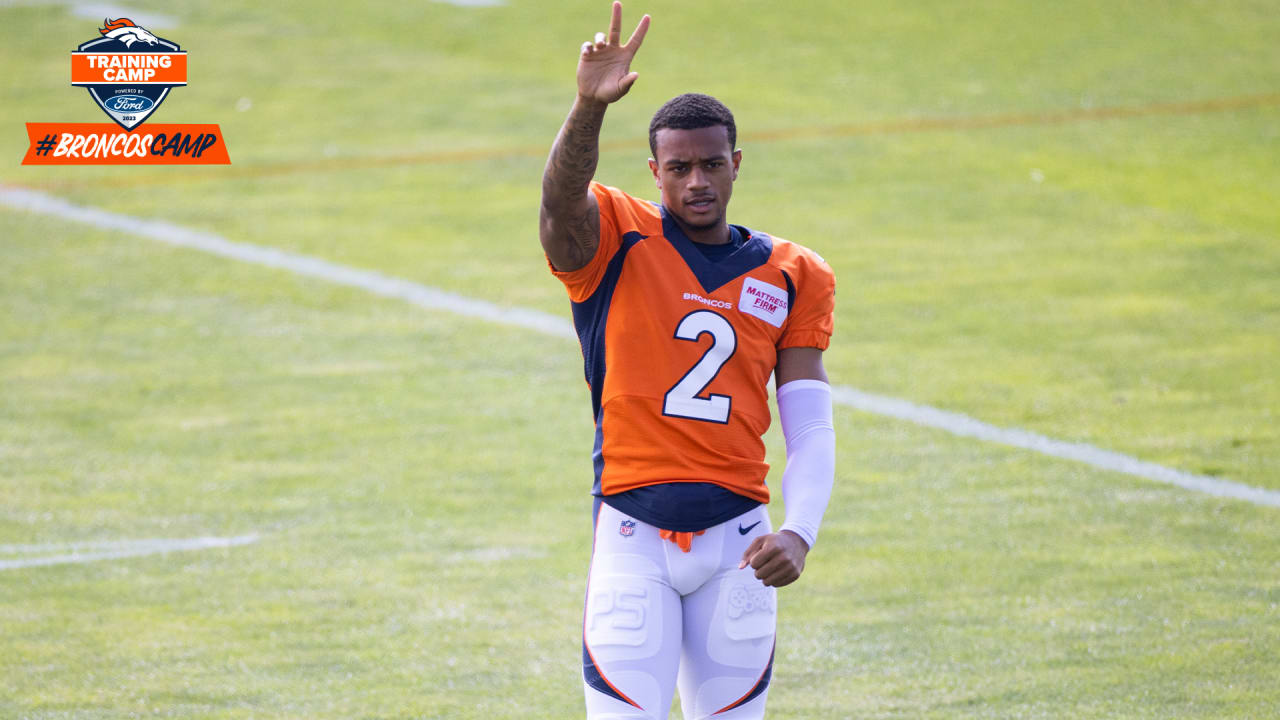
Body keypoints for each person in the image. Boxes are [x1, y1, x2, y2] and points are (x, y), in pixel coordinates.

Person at [539, 3, 837, 718]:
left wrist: (800, 531)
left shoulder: (794, 272)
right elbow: (557, 207)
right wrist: (587, 107)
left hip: (740, 541)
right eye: (679, 168)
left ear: (736, 164)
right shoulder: (616, 234)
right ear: (655, 172)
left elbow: (810, 426)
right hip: (633, 537)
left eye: (710, 164)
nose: (697, 181)